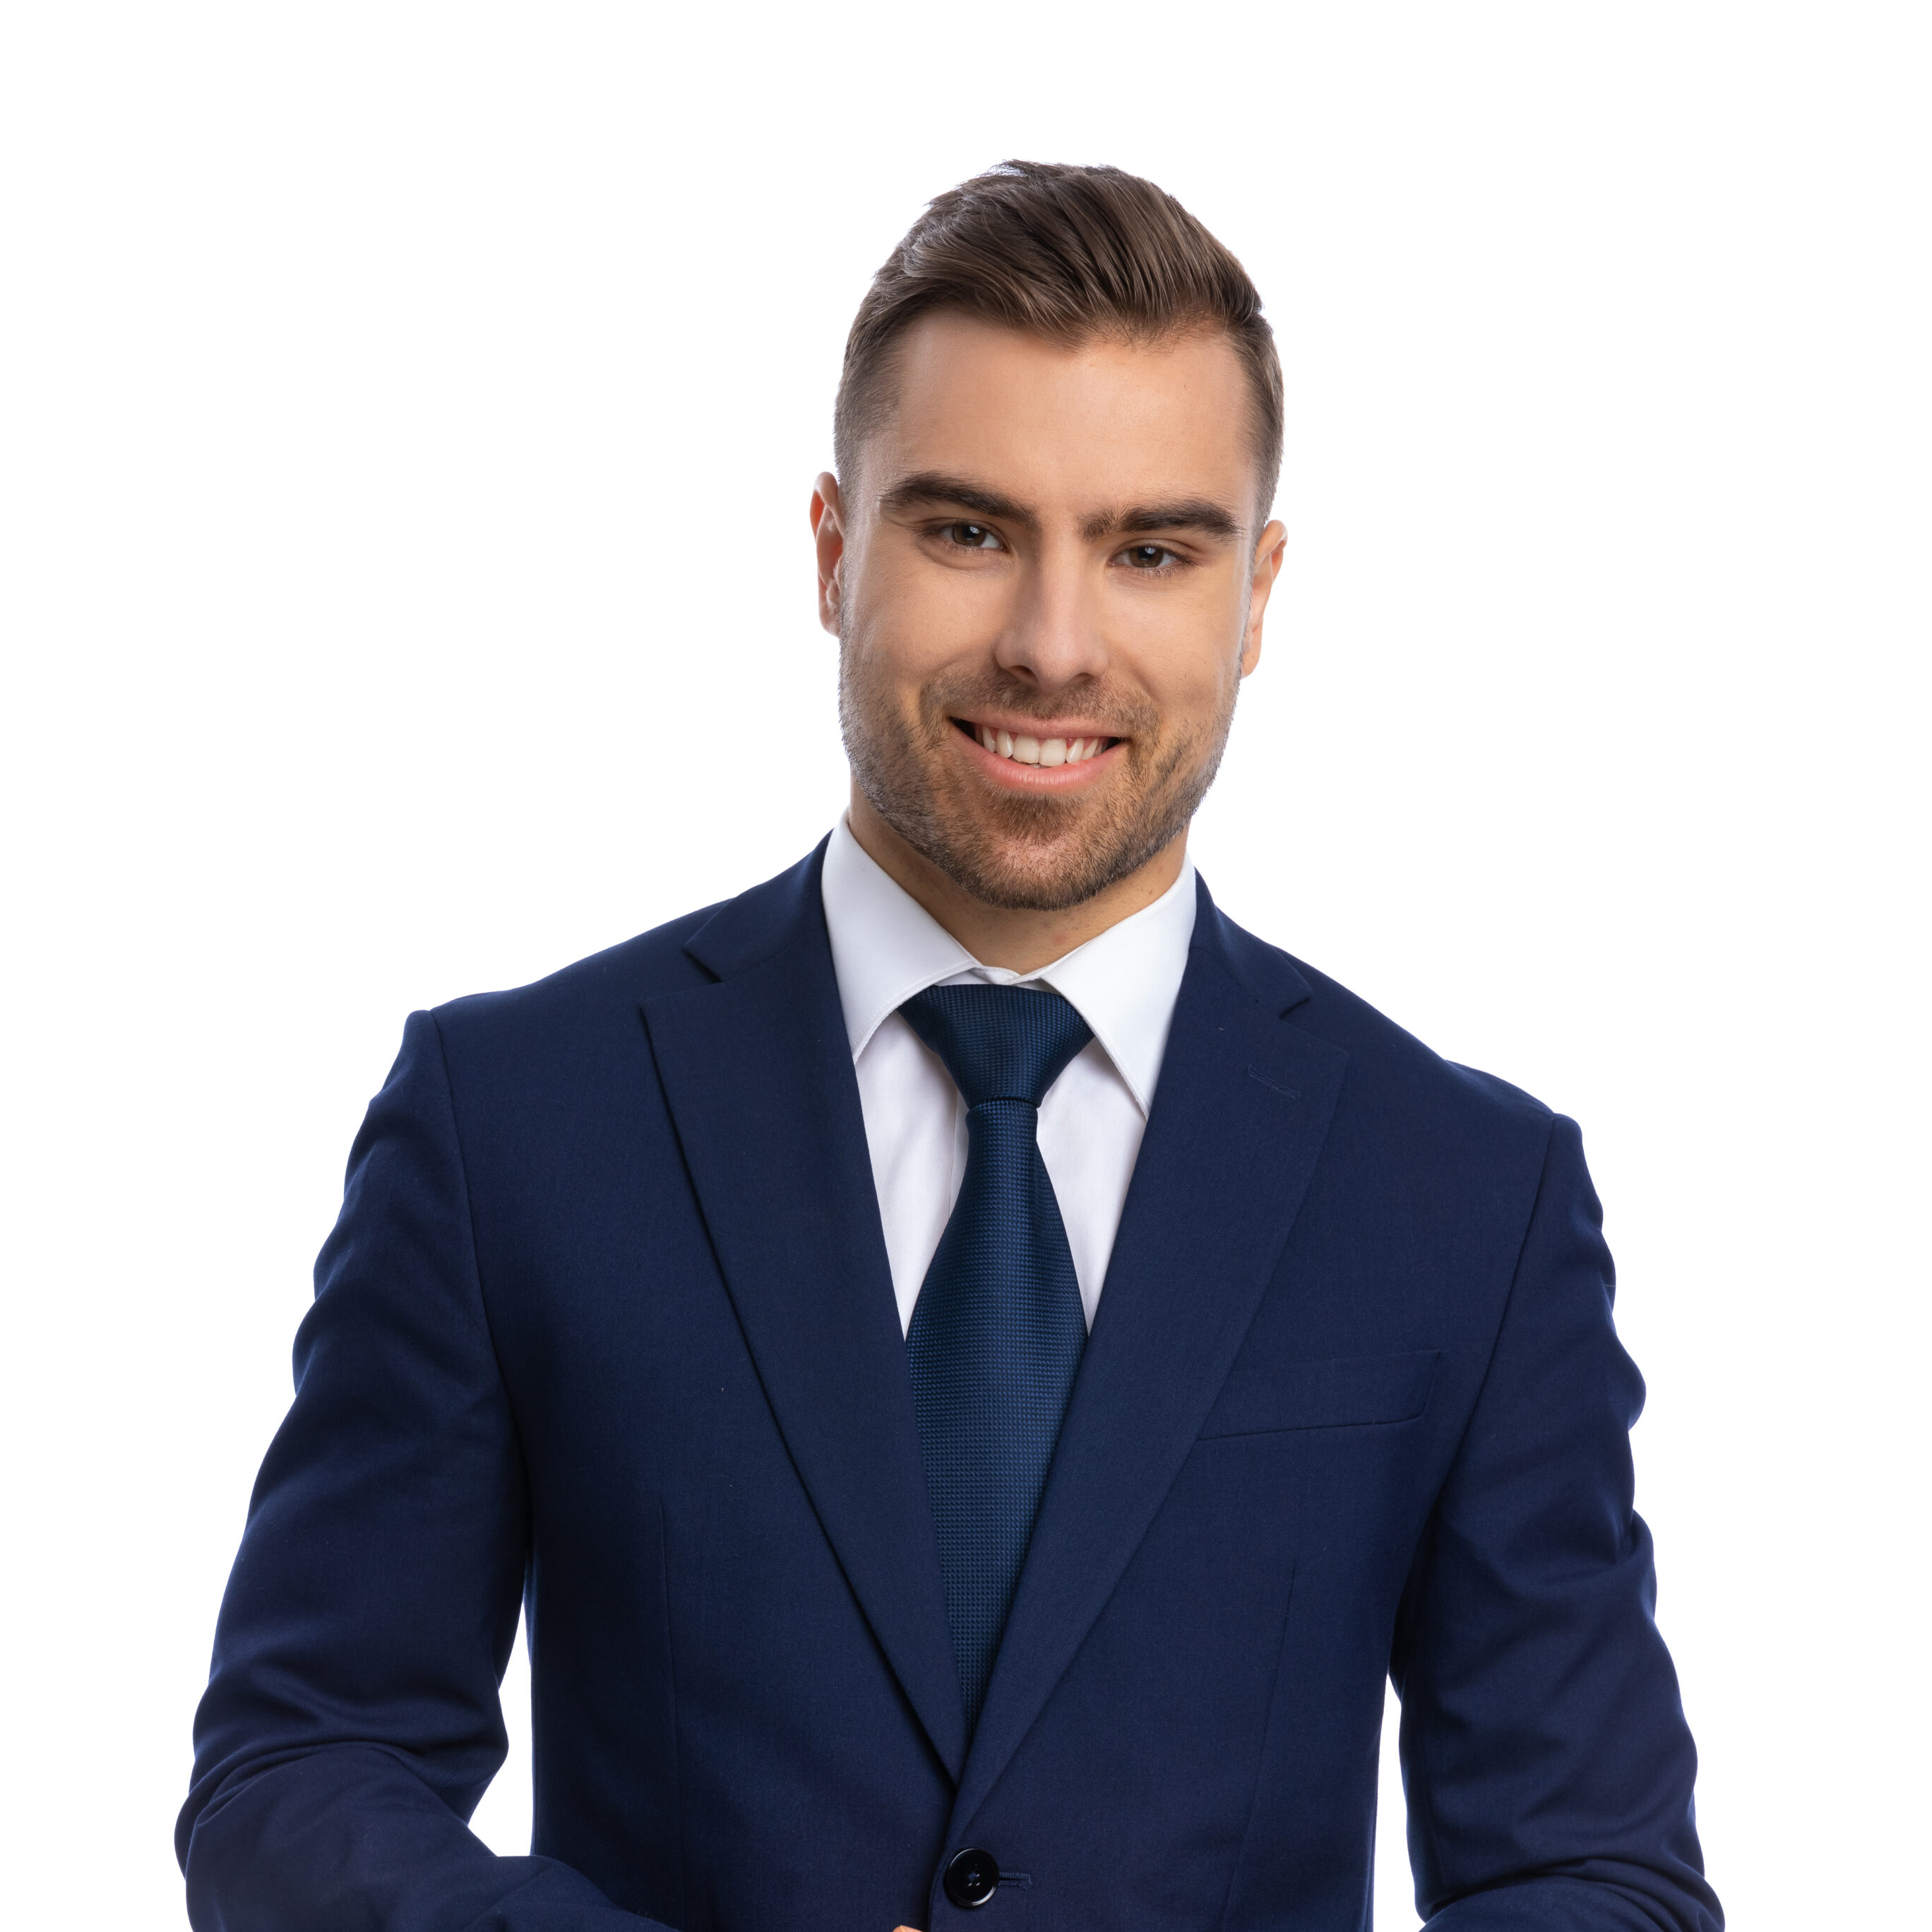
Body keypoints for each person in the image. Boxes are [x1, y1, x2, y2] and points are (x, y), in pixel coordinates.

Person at [179, 161, 1722, 1932]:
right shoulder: (515, 1122)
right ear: (836, 553)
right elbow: (303, 1768)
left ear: (1259, 595)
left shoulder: (1467, 1195)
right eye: (970, 531)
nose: (1052, 647)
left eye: (1151, 550)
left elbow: (1596, 1876)